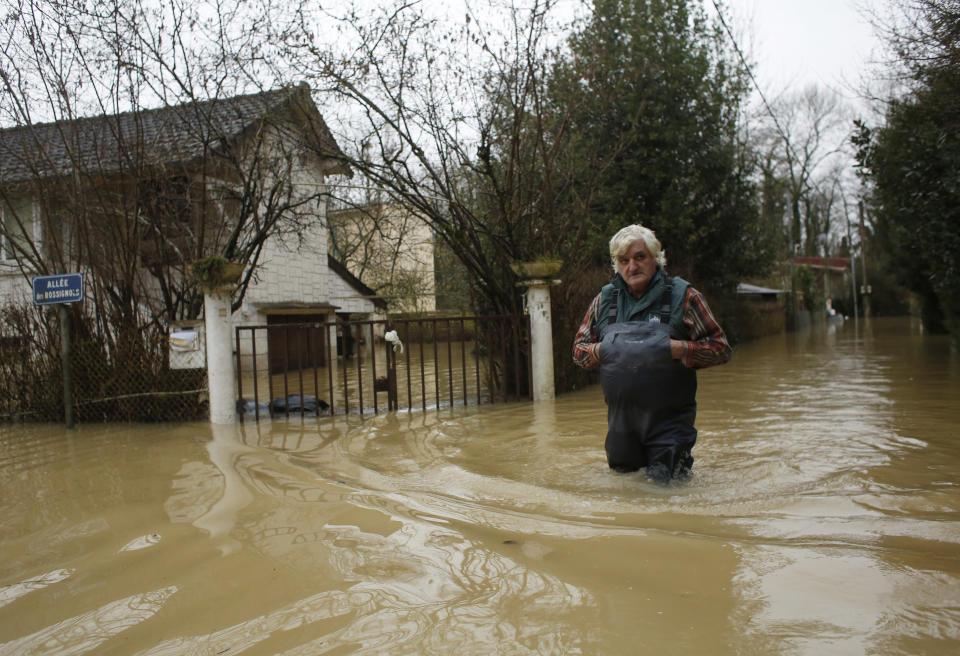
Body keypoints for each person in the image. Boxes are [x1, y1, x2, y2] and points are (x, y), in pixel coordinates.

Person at [573, 224, 731, 483]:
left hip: (671, 426)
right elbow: (578, 353)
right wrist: (602, 350)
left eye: (639, 257)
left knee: (664, 492)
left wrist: (678, 349)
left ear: (656, 258)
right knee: (624, 494)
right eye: (623, 261)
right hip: (621, 427)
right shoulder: (604, 300)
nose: (632, 267)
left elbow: (720, 348)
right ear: (616, 264)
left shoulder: (685, 296)